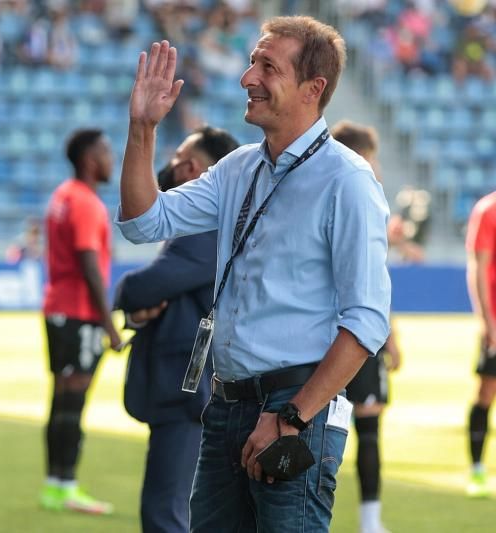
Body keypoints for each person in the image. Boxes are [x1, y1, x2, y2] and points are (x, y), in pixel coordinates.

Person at [115, 16, 391, 532]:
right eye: (251, 63)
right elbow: (142, 221)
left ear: (314, 89)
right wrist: (142, 129)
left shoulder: (348, 181)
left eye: (268, 67)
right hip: (224, 408)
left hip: (296, 413)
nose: (248, 78)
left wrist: (290, 418)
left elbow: (367, 323)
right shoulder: (238, 167)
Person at [113, 125, 239, 533]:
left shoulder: (205, 226)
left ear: (192, 168)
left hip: (188, 388)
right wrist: (138, 313)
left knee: (165, 513)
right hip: (188, 383)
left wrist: (128, 293)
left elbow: (146, 286)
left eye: (178, 158)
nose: (169, 166)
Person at [40, 128, 121, 515]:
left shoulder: (62, 195)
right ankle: (66, 486)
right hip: (79, 314)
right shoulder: (86, 202)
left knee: (61, 400)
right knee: (73, 402)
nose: (112, 158)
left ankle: (55, 485)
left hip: (59, 308)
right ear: (90, 159)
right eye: (106, 151)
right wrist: (108, 325)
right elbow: (90, 265)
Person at [331, 120, 404, 533]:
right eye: (374, 158)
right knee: (368, 426)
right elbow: (373, 279)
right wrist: (390, 335)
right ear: (363, 157)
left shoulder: (323, 192)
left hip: (321, 334)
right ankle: (370, 523)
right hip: (358, 333)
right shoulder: (366, 197)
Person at [465, 188, 496, 498]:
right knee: (486, 393)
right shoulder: (488, 210)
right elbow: (478, 267)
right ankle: (476, 469)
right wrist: (488, 323)